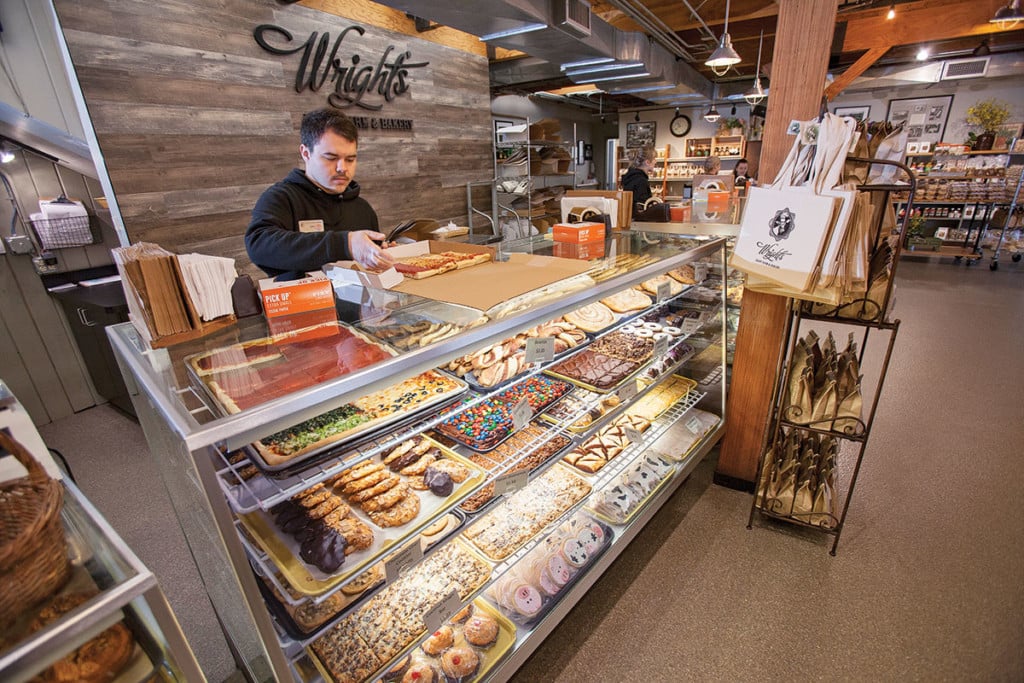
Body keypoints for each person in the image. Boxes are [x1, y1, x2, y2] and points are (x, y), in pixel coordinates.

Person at [245, 107, 393, 278]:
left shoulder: (363, 209)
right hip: (302, 301)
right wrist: (346, 244)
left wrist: (382, 255)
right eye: (331, 158)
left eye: (350, 159)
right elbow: (258, 246)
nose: (342, 168)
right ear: (306, 153)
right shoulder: (281, 198)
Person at [620, 145, 656, 216]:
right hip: (638, 223)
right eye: (654, 158)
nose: (655, 161)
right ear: (647, 162)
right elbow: (642, 208)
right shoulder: (641, 181)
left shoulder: (630, 177)